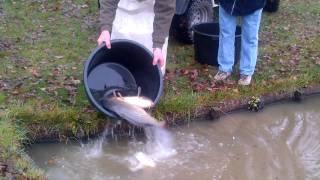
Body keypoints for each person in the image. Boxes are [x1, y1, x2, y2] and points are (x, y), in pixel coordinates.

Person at [97, 0, 176, 75]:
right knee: (116, 62)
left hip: (150, 16)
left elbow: (165, 9)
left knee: (150, 64)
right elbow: (108, 2)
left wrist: (158, 45)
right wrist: (105, 28)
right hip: (121, 13)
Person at [214, 0, 266, 85]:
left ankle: (246, 72)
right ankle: (224, 68)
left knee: (250, 37)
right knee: (225, 34)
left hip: (253, 3)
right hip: (227, 3)